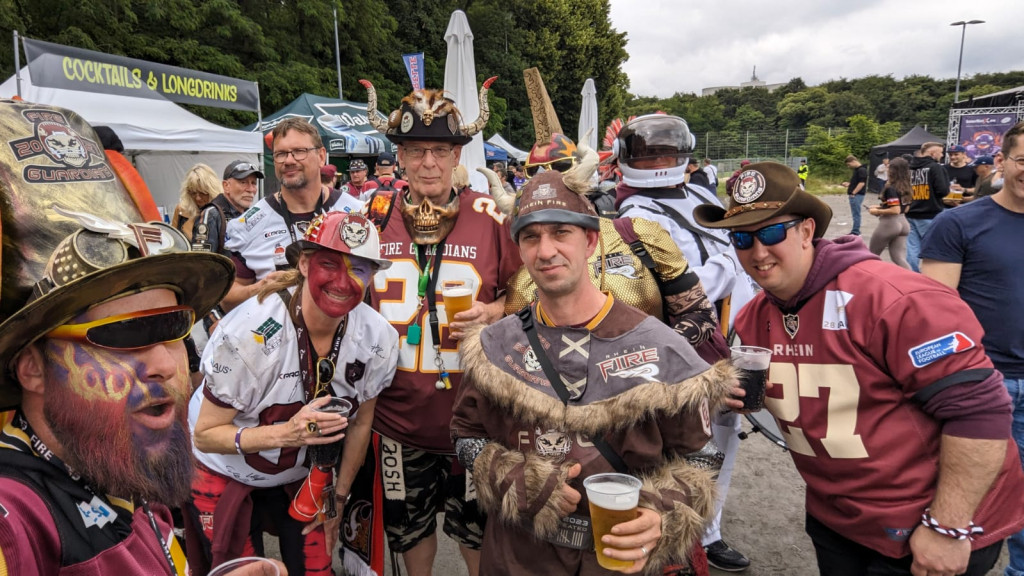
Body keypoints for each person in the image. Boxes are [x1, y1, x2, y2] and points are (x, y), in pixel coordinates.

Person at [694, 160, 1024, 576]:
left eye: (772, 232)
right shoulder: (754, 315)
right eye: (742, 237)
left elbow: (981, 413)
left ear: (807, 231)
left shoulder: (896, 298)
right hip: (837, 518)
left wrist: (948, 526)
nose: (758, 252)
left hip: (927, 523)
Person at [451, 163, 741, 576]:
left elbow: (703, 458)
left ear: (590, 241)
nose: (545, 251)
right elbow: (466, 434)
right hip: (518, 559)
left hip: (623, 561)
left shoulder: (661, 347)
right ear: (520, 249)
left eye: (561, 233)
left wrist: (662, 513)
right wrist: (511, 477)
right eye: (531, 237)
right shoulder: (494, 346)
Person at [0, 207, 244, 574]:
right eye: (125, 334)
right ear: (33, 367)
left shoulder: (119, 461)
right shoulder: (13, 523)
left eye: (175, 328)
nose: (164, 365)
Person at [359, 77, 518, 576]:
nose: (428, 162)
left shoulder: (490, 216)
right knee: (410, 531)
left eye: (440, 151)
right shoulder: (372, 217)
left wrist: (494, 311)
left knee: (478, 532)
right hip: (397, 419)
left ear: (457, 157)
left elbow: (530, 292)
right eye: (416, 150)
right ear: (400, 158)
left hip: (477, 417)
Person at [187, 211, 398, 576]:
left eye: (359, 270)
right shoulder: (250, 334)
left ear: (372, 277)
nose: (343, 282)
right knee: (243, 570)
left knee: (316, 569)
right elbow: (204, 435)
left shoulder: (378, 338)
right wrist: (287, 433)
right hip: (222, 468)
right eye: (329, 264)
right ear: (303, 263)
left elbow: (361, 423)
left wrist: (339, 499)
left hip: (300, 475)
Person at [615, 113, 756, 572]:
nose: (660, 161)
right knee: (690, 442)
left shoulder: (700, 194)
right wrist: (728, 268)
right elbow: (664, 288)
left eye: (667, 152)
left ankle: (710, 530)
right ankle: (686, 533)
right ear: (627, 159)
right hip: (688, 344)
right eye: (650, 154)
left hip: (733, 333)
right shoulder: (634, 215)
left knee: (727, 435)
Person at [921, 120, 1024, 576]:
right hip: (985, 384)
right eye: (1023, 160)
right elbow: (932, 316)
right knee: (966, 496)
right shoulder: (959, 223)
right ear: (1001, 161)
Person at [221, 118, 363, 311]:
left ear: (321, 156)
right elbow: (227, 299)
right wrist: (259, 288)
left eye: (299, 151)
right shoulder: (248, 225)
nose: (288, 160)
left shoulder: (358, 214)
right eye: (280, 154)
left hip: (343, 328)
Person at [193, 160, 264, 256]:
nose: (251, 189)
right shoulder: (212, 215)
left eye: (254, 183)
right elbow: (202, 260)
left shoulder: (252, 215)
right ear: (226, 186)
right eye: (243, 182)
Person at [905, 142, 950, 272]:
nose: (942, 155)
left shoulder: (909, 168)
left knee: (912, 248)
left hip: (910, 212)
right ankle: (932, 276)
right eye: (941, 152)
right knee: (934, 248)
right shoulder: (935, 167)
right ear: (932, 153)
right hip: (930, 213)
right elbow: (943, 190)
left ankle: (913, 275)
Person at [867, 156, 911, 269]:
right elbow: (904, 208)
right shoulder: (906, 187)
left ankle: (868, 277)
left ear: (892, 170)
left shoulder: (891, 188)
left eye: (889, 167)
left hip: (890, 223)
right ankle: (913, 278)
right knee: (899, 258)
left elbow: (895, 210)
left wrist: (877, 211)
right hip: (903, 222)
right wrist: (881, 206)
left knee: (871, 255)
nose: (887, 169)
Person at [173, 163, 221, 238]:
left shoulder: (222, 212)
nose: (197, 198)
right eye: (193, 193)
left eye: (202, 193)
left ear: (212, 191)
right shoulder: (181, 210)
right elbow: (173, 240)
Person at [840, 155, 867, 236]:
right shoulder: (858, 170)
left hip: (857, 195)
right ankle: (855, 231)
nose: (849, 167)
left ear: (853, 161)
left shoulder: (861, 170)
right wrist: (849, 184)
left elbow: (861, 183)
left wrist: (853, 193)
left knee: (856, 214)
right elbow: (857, 182)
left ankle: (855, 231)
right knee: (855, 213)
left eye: (849, 164)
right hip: (856, 194)